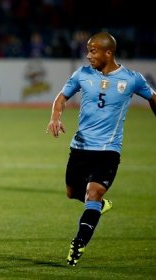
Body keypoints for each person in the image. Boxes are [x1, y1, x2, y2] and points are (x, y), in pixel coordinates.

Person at [46, 32, 156, 266]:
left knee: (93, 194)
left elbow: (152, 97)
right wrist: (55, 116)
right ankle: (98, 207)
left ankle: (79, 243)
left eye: (93, 51)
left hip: (108, 151)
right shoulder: (82, 74)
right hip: (80, 147)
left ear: (109, 52)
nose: (88, 55)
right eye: (88, 50)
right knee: (71, 192)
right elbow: (61, 97)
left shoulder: (132, 79)